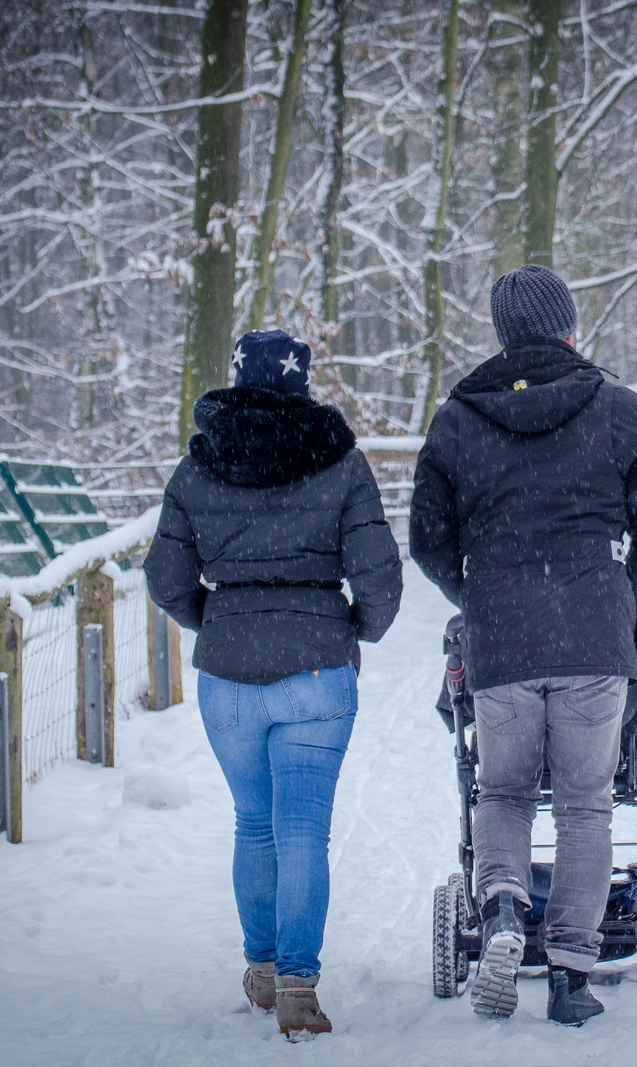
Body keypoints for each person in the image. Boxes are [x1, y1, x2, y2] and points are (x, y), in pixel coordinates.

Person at [409, 265, 637, 1025]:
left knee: (499, 791)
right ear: (569, 327)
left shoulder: (460, 418)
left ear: (502, 334)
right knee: (587, 805)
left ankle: (500, 911)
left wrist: (482, 594)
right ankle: (569, 972)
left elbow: (427, 537)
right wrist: (635, 606)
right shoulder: (618, 409)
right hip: (596, 633)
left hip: (502, 637)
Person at [145, 329, 402, 1038]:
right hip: (317, 670)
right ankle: (296, 984)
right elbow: (380, 575)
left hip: (227, 676)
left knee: (254, 824)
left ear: (234, 380)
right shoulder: (339, 462)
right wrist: (355, 627)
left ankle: (260, 970)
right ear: (301, 383)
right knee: (302, 830)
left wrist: (217, 617)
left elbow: (164, 577)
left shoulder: (196, 469)